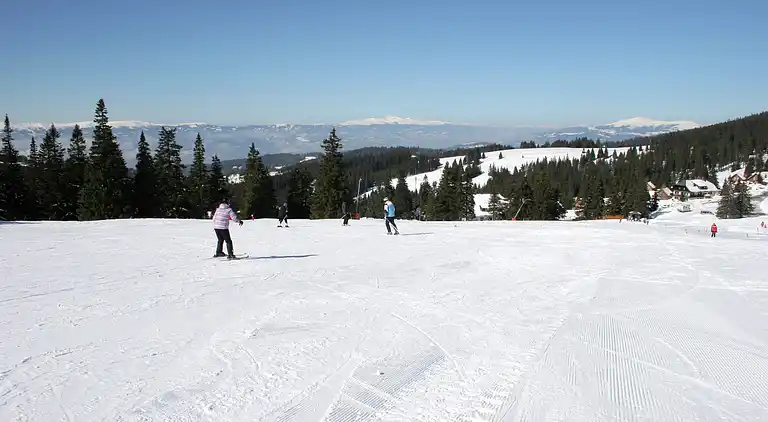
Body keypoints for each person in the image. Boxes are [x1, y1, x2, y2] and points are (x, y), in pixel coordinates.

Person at [212, 192, 243, 259]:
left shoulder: (218, 209)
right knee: (228, 241)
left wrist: (216, 224)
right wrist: (239, 221)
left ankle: (218, 252)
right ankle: (230, 255)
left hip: (216, 227)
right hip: (223, 227)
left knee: (220, 240)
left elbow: (214, 218)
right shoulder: (229, 210)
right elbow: (234, 218)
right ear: (227, 203)